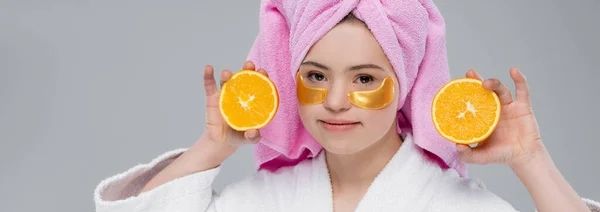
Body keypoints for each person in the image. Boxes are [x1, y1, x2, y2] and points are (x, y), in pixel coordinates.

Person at [93, 1, 598, 211]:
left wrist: (532, 161)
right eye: (315, 76)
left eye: (364, 78)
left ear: (405, 83)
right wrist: (210, 147)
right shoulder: (267, 200)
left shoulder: (455, 205)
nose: (335, 102)